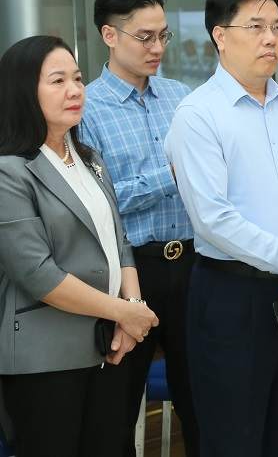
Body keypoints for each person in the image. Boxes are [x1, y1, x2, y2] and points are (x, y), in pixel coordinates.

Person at [164, 0, 278, 457]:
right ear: (220, 36)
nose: (271, 39)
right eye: (256, 27)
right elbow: (213, 219)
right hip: (231, 297)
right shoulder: (197, 115)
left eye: (277, 27)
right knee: (234, 439)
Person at [0, 36, 158, 457]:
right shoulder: (10, 172)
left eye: (78, 78)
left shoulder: (89, 159)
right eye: (57, 80)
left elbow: (120, 241)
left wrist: (132, 309)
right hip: (45, 358)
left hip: (108, 346)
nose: (74, 90)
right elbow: (38, 274)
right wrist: (123, 312)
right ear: (23, 91)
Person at [78, 0, 200, 457]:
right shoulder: (85, 108)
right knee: (116, 410)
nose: (158, 48)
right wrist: (170, 174)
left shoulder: (182, 98)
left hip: (193, 264)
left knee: (204, 402)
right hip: (128, 274)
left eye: (163, 36)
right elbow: (98, 202)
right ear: (110, 35)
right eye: (144, 37)